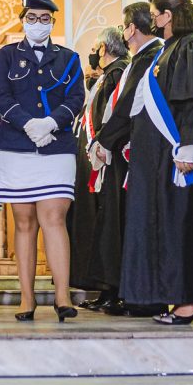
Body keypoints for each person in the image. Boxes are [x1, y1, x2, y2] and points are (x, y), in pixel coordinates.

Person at [116, 0, 193, 325]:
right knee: (170, 225)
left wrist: (189, 147)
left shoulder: (190, 46)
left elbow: (190, 102)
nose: (151, 19)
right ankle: (180, 295)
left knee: (183, 226)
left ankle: (190, 300)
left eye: (154, 13)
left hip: (178, 156)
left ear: (168, 14)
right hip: (158, 156)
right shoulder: (169, 48)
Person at [0, 0, 85, 322]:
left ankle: (62, 296)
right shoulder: (6, 56)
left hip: (56, 146)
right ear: (22, 20)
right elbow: (0, 96)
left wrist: (51, 122)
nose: (38, 24)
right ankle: (27, 299)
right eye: (32, 17)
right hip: (17, 146)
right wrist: (28, 123)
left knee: (54, 218)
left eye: (45, 19)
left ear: (53, 23)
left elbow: (76, 96)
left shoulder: (69, 58)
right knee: (25, 222)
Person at [90, 2, 164, 317]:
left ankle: (141, 295)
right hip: (127, 154)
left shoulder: (150, 58)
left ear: (132, 27)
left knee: (137, 224)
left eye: (125, 24)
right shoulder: (142, 58)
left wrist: (103, 139)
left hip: (134, 155)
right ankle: (129, 291)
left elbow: (128, 105)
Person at [70, 26, 129, 311]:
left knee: (106, 225)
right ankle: (104, 288)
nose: (93, 53)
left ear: (104, 49)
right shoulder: (106, 76)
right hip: (93, 162)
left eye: (95, 48)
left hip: (105, 164)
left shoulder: (117, 74)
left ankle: (111, 288)